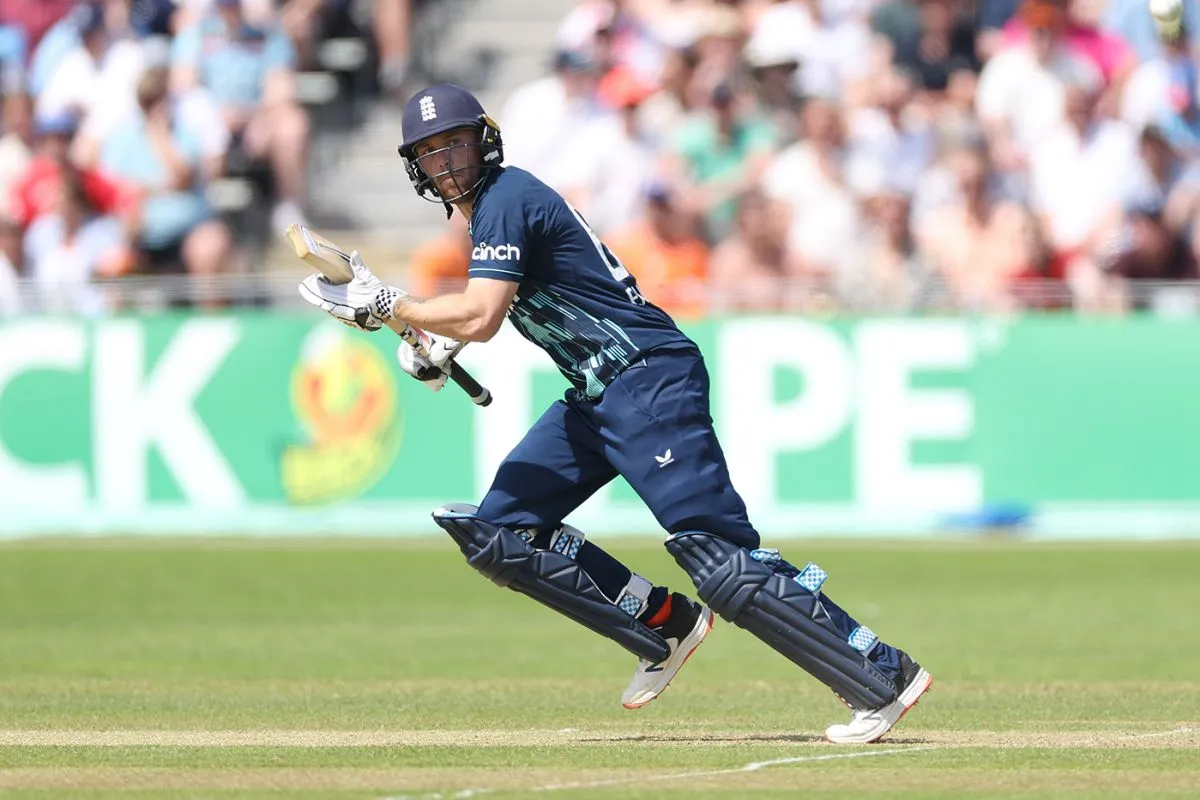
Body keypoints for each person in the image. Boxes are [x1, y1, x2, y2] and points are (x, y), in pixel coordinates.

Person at [297, 83, 933, 744]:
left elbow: (483, 314)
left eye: (454, 142)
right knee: (501, 534)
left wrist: (396, 307)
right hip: (597, 392)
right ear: (415, 167)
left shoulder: (507, 197)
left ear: (483, 139)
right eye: (429, 152)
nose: (447, 160)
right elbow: (506, 303)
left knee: (719, 560)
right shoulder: (492, 211)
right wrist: (437, 341)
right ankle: (663, 625)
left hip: (647, 378)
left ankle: (881, 675)